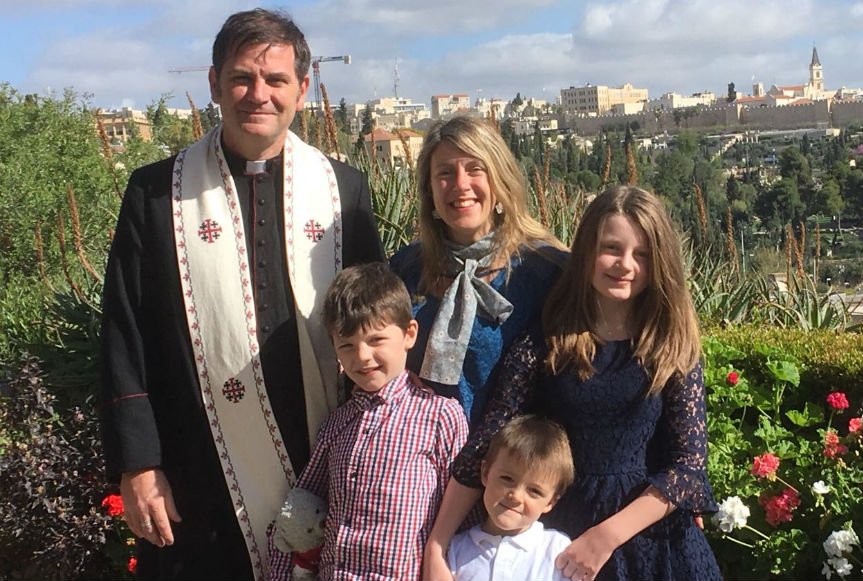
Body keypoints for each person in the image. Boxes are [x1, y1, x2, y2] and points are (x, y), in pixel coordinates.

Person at [98, 8, 384, 580]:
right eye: (241, 79)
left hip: (321, 460)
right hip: (198, 472)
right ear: (214, 84)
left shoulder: (343, 192)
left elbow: (375, 326)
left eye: (276, 80)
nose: (259, 94)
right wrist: (138, 464)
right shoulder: (157, 195)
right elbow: (123, 336)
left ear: (303, 89)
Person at [425, 185, 722, 581]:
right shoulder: (547, 341)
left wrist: (606, 537)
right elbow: (490, 438)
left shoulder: (671, 344)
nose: (625, 264)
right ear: (585, 253)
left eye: (642, 255)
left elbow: (688, 468)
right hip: (561, 534)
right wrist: (437, 545)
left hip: (652, 542)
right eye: (611, 248)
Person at [268, 262, 468, 580]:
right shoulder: (337, 423)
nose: (361, 356)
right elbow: (301, 503)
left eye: (376, 340)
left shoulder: (440, 416)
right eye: (346, 345)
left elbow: (463, 508)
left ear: (409, 334)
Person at [389, 115, 566, 425]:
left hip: (505, 467)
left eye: (475, 169)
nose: (460, 184)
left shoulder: (544, 272)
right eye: (445, 172)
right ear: (429, 191)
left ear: (499, 181)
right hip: (415, 463)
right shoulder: (406, 268)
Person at [447, 414, 575, 581]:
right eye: (507, 479)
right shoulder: (455, 550)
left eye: (534, 491)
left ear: (550, 502)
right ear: (485, 473)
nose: (516, 496)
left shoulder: (558, 551)